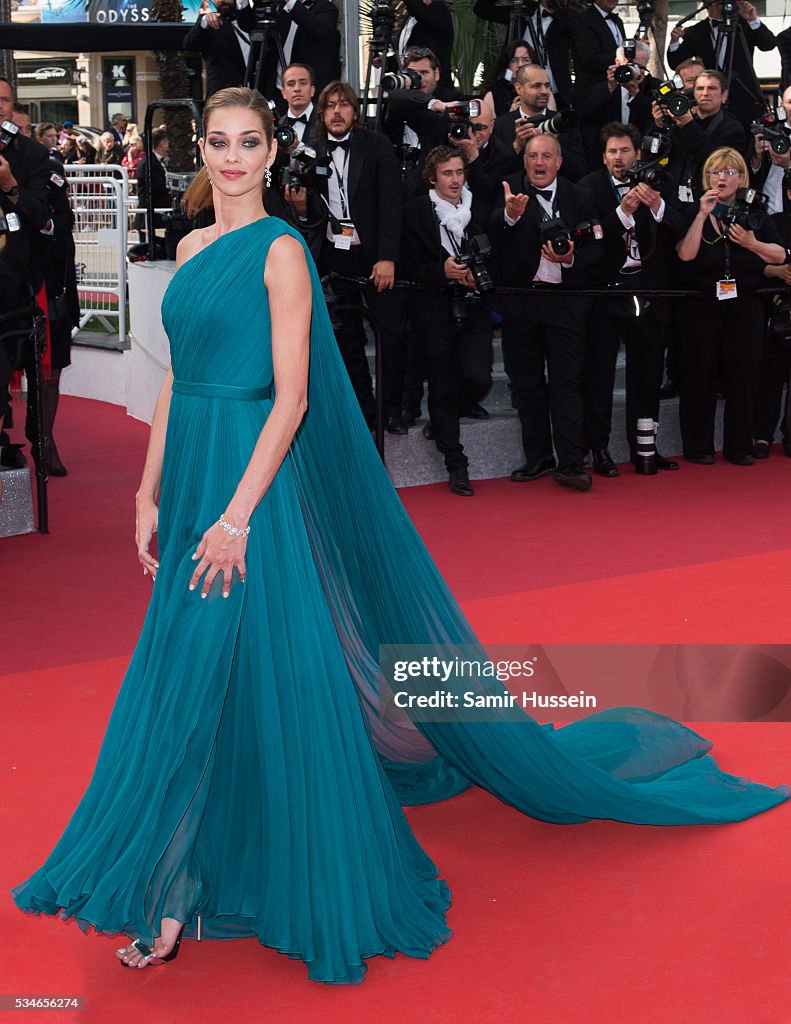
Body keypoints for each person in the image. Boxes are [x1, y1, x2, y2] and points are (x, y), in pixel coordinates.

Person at [11, 87, 789, 984]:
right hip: (189, 477)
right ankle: (179, 878)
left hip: (250, 486)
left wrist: (235, 517)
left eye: (247, 142)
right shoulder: (188, 248)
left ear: (272, 154)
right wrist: (148, 490)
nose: (229, 157)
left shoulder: (282, 253)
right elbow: (177, 380)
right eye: (217, 142)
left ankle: (174, 888)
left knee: (249, 666)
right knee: (191, 669)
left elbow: (293, 399)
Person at [675, 147, 785, 465]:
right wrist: (701, 214)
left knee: (744, 375)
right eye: (715, 172)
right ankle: (699, 446)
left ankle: (739, 446)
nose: (722, 178)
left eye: (729, 172)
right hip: (702, 306)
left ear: (741, 177)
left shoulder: (756, 213)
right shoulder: (693, 210)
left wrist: (752, 243)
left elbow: (781, 255)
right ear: (706, 177)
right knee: (699, 374)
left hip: (746, 305)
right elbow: (685, 255)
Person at [400, 146, 493, 495]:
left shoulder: (477, 208)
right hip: (433, 307)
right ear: (432, 177)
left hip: (473, 303)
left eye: (459, 172)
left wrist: (477, 275)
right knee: (440, 384)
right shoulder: (415, 213)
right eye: (448, 174)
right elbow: (406, 265)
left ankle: (446, 420)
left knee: (478, 375)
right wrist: (442, 271)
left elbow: (494, 248)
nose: (455, 180)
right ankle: (457, 464)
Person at [183, 0, 257, 100]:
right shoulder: (209, 26)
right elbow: (190, 45)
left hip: (257, 95)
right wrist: (205, 21)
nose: (222, 1)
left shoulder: (253, 20)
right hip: (223, 97)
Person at [481, 40, 534, 117]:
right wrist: (509, 116)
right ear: (508, 65)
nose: (520, 64)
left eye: (526, 60)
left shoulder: (543, 91)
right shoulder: (493, 95)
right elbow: (490, 127)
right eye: (514, 60)